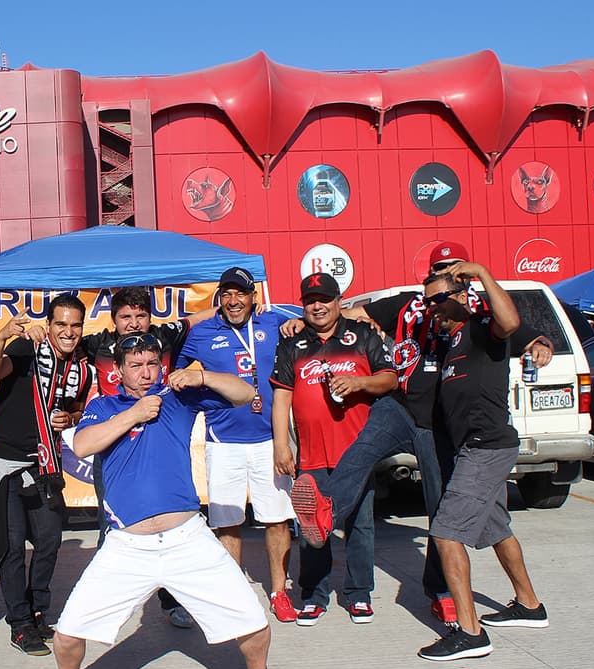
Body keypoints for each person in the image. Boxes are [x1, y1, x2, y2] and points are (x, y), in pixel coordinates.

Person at [32, 332, 305, 669]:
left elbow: (244, 394)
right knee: (69, 631)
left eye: (151, 364)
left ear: (161, 366)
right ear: (120, 371)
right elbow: (81, 445)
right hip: (127, 545)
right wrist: (135, 414)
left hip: (188, 538)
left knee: (253, 619)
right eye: (135, 365)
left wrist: (203, 377)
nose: (145, 373)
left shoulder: (178, 398)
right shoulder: (104, 406)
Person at [286, 242, 552, 626]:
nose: (446, 275)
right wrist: (303, 320)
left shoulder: (470, 310)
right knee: (360, 450)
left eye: (453, 267)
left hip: (437, 420)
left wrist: (538, 340)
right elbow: (350, 311)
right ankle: (325, 515)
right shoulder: (411, 303)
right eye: (439, 268)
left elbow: (511, 326)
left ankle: (441, 591)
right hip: (399, 404)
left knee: (440, 508)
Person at [417, 261, 548, 661]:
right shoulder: (449, 343)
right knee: (496, 529)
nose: (432, 308)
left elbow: (509, 321)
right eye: (428, 303)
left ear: (461, 296)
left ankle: (470, 633)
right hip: (473, 450)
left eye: (439, 300)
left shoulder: (481, 330)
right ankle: (529, 605)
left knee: (445, 533)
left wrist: (483, 273)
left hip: (486, 446)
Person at [75, 286, 214, 629]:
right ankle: (106, 604)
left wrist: (239, 304)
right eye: (126, 316)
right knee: (112, 525)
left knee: (170, 523)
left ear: (150, 318)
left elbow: (200, 317)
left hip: (158, 434)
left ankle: (173, 601)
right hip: (115, 441)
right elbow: (60, 340)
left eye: (140, 316)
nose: (134, 323)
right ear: (114, 320)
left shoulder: (163, 337)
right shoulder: (97, 343)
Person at [270, 273, 398, 626]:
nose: (317, 306)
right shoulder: (292, 342)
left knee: (360, 524)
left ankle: (359, 594)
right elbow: (281, 396)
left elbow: (390, 378)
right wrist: (282, 445)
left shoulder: (362, 335)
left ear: (338, 300)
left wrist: (359, 382)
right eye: (310, 300)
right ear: (302, 304)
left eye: (324, 298)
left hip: (357, 450)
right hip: (311, 452)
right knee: (312, 526)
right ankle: (313, 596)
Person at [176, 267, 298, 623]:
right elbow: (176, 371)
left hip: (268, 441)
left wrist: (295, 325)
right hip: (222, 441)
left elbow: (312, 323)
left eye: (240, 294)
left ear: (253, 297)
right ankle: (235, 596)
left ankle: (279, 591)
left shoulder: (274, 322)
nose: (233, 300)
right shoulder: (202, 334)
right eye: (227, 294)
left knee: (276, 520)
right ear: (219, 299)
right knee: (228, 523)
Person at [0, 294, 94, 656]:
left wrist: (72, 419)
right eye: (61, 324)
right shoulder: (27, 351)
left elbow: (76, 408)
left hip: (45, 467)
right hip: (9, 463)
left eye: (75, 325)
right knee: (13, 549)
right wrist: (1, 338)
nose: (68, 332)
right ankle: (19, 623)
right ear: (49, 326)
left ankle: (39, 610)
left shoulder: (81, 369)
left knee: (48, 542)